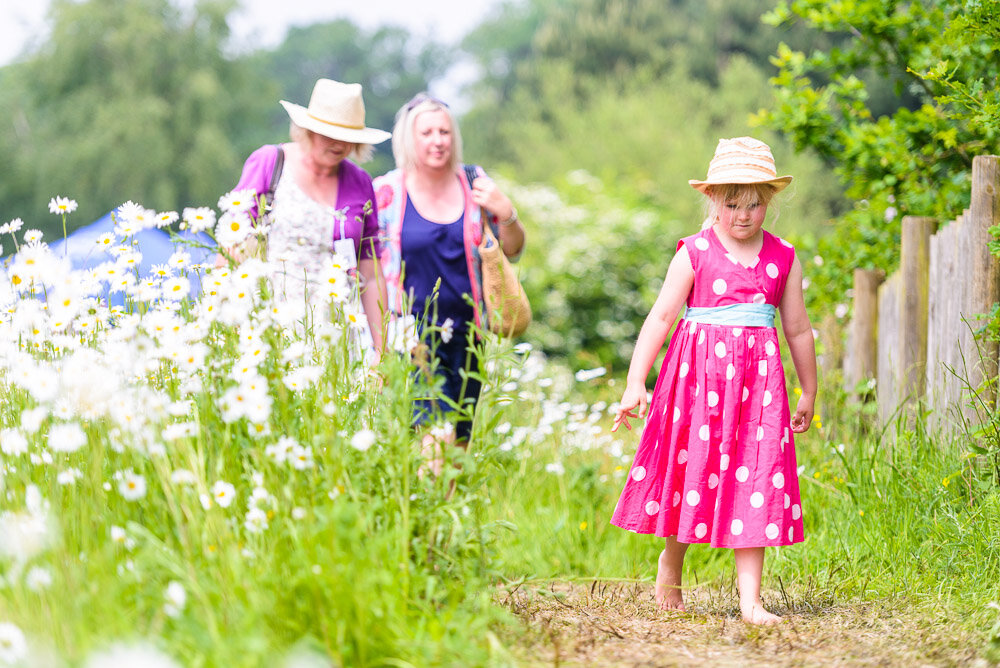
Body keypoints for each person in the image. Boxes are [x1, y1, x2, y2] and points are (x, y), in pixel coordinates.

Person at [610, 137, 817, 625]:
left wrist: (809, 389)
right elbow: (661, 318)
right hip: (697, 389)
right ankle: (672, 561)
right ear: (712, 200)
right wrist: (635, 382)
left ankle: (751, 601)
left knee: (758, 475)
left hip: (759, 393)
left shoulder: (783, 257)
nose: (743, 215)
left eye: (755, 204)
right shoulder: (695, 252)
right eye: (731, 204)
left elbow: (798, 328)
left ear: (769, 202)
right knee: (692, 472)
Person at [373, 93, 526, 475]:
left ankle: (434, 533)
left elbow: (514, 249)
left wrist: (506, 213)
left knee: (456, 449)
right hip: (411, 337)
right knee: (433, 442)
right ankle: (424, 528)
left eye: (444, 131)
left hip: (468, 336)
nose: (437, 140)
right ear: (409, 138)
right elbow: (366, 264)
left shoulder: (474, 182)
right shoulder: (388, 192)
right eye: (427, 132)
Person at [227, 78, 391, 359]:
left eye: (348, 135)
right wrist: (225, 330)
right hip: (270, 327)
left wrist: (382, 352)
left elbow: (371, 274)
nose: (339, 143)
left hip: (337, 338)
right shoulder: (271, 163)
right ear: (309, 129)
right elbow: (233, 246)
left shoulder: (361, 183)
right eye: (329, 133)